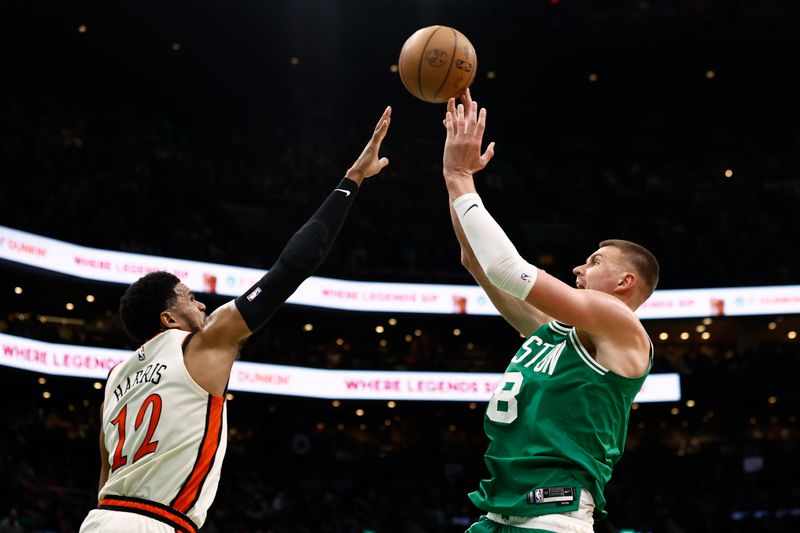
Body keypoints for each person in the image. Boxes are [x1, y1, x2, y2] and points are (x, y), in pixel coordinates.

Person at [79, 106, 392, 533]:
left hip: (99, 520)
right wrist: (352, 179)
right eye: (190, 298)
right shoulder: (198, 344)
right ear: (169, 317)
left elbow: (106, 473)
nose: (202, 306)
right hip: (154, 524)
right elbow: (295, 264)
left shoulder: (115, 378)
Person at [441, 89, 659, 533]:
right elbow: (476, 260)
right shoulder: (553, 330)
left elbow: (506, 269)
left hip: (553, 515)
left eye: (595, 262)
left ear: (625, 282)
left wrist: (461, 174)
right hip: (496, 513)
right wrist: (453, 177)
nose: (579, 266)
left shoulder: (621, 325)